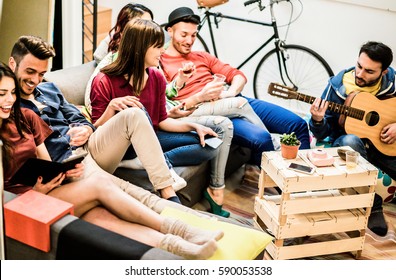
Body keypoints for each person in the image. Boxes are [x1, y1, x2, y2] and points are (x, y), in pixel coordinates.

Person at [0, 62, 223, 259]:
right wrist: (38, 192)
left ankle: (177, 246)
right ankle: (182, 230)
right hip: (20, 203)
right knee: (101, 185)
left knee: (98, 216)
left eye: (12, 93)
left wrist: (60, 174)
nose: (10, 100)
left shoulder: (25, 117)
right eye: (2, 94)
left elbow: (45, 163)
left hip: (48, 191)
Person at [10, 35, 191, 203]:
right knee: (130, 194)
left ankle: (167, 190)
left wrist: (86, 129)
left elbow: (78, 118)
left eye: (41, 74)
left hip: (90, 146)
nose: (35, 80)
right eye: (30, 72)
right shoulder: (8, 106)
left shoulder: (50, 89)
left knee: (134, 113)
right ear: (12, 64)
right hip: (68, 163)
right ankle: (173, 207)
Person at [90, 19, 234, 217]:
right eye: (157, 47)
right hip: (121, 146)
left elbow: (162, 121)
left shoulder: (156, 77)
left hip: (152, 137)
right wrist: (112, 108)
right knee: (138, 112)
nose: (163, 52)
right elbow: (96, 129)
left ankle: (152, 160)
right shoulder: (104, 80)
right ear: (140, 49)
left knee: (211, 144)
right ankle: (152, 165)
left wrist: (193, 126)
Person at [160, 7, 311, 171]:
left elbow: (237, 75)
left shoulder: (202, 56)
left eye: (194, 35)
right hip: (209, 110)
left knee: (298, 125)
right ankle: (286, 183)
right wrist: (201, 96)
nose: (189, 40)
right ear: (170, 31)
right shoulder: (161, 63)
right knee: (262, 138)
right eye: (184, 35)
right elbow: (169, 106)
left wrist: (229, 93)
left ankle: (303, 178)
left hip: (235, 100)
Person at [309, 41, 395, 236]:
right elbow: (323, 134)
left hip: (382, 142)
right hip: (347, 142)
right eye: (359, 66)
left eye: (369, 72)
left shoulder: (393, 82)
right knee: (351, 142)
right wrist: (317, 119)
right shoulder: (336, 86)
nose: (360, 74)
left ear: (384, 72)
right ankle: (374, 207)